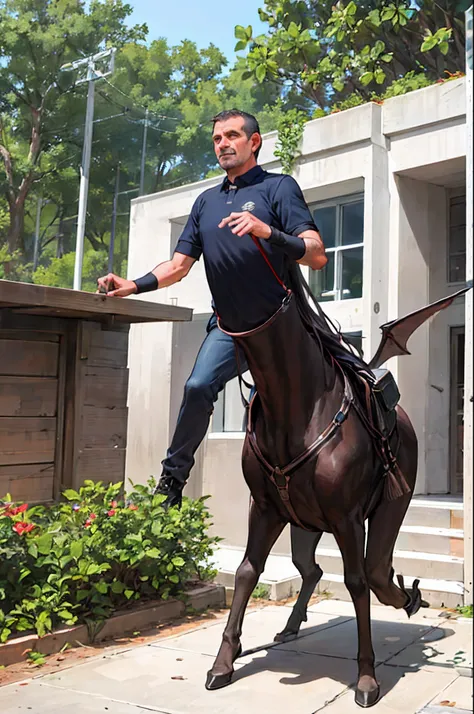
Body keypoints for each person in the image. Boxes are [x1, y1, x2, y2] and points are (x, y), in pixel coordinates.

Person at [97, 109, 327, 508]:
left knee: (346, 372)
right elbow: (177, 266)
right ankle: (171, 485)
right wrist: (132, 285)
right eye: (217, 138)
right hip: (230, 329)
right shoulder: (206, 202)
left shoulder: (279, 188)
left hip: (282, 325)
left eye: (232, 136)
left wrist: (268, 232)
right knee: (197, 387)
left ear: (253, 142)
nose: (223, 144)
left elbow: (317, 254)